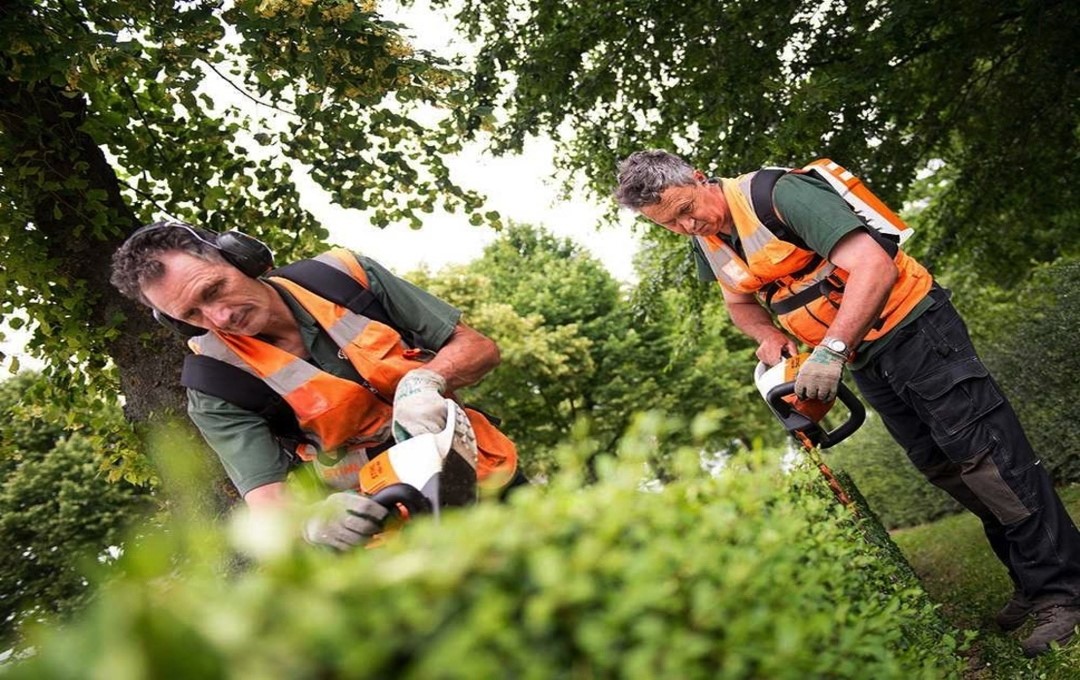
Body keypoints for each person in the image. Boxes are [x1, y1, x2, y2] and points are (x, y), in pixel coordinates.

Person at [614, 149, 1080, 656]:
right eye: (670, 224)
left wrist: (831, 350)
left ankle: (1064, 592)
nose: (686, 226)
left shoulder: (776, 195)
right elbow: (739, 302)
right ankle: (1032, 581)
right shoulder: (707, 239)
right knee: (945, 468)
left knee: (990, 461)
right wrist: (764, 334)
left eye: (687, 209)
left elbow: (872, 265)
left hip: (914, 330)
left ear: (700, 178)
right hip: (863, 356)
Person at [111, 221, 519, 550]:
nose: (219, 317)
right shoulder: (215, 384)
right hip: (389, 528)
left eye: (214, 289)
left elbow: (477, 348)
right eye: (192, 314)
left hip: (482, 470)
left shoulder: (344, 277)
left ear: (240, 258)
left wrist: (427, 379)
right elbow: (267, 504)